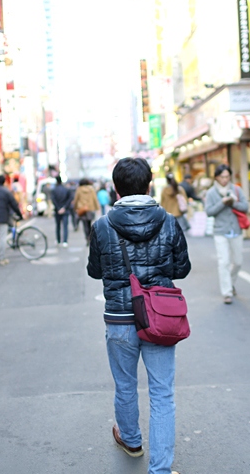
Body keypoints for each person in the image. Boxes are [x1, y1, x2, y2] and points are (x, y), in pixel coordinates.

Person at [87, 157, 190, 474]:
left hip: (119, 318)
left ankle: (131, 440)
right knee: (162, 393)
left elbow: (95, 271)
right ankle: (160, 469)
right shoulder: (170, 222)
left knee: (125, 385)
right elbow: (181, 269)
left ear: (116, 189)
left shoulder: (102, 226)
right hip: (159, 316)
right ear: (149, 186)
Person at [204, 164, 248, 303]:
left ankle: (230, 282)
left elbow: (245, 207)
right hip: (220, 231)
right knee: (223, 262)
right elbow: (209, 212)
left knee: (238, 262)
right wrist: (223, 203)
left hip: (236, 230)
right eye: (222, 177)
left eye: (227, 176)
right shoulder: (211, 193)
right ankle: (227, 292)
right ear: (217, 177)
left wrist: (233, 202)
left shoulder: (236, 189)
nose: (224, 179)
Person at [73, 178, 100, 245]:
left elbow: (76, 199)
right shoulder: (91, 189)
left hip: (82, 209)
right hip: (90, 208)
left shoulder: (79, 189)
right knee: (89, 223)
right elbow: (95, 199)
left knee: (85, 225)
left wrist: (75, 207)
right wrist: (97, 208)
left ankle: (87, 238)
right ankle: (91, 237)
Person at [51, 175, 73, 247]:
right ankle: (65, 241)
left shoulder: (54, 190)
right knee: (65, 226)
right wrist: (64, 207)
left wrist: (58, 208)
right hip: (65, 210)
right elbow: (70, 199)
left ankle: (58, 240)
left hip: (57, 210)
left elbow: (53, 200)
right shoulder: (66, 189)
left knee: (58, 226)